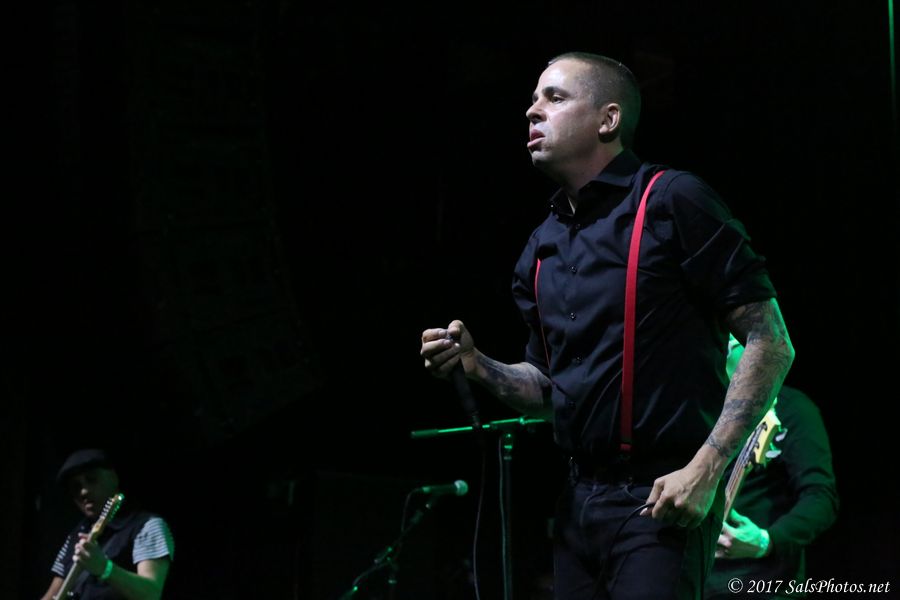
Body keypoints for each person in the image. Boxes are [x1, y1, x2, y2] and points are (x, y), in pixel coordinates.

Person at [420, 51, 795, 600]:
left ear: (608, 119)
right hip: (578, 506)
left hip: (663, 495)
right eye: (533, 99)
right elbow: (547, 390)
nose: (532, 111)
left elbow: (771, 341)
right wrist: (479, 366)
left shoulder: (672, 200)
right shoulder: (542, 247)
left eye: (554, 97)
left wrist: (706, 469)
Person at [704, 337, 839, 599]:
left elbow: (821, 497)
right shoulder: (700, 412)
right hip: (699, 582)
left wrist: (766, 541)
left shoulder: (792, 408)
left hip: (766, 583)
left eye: (731, 344)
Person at [39, 448, 175, 600]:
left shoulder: (147, 525)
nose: (83, 492)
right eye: (76, 486)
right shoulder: (76, 534)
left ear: (114, 478)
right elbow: (54, 592)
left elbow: (151, 594)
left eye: (92, 479)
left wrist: (105, 568)